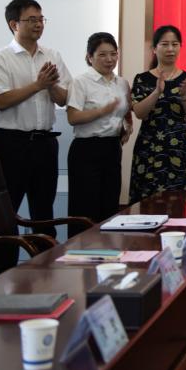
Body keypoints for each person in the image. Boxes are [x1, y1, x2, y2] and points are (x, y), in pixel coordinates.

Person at [0, 0, 71, 237]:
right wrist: (38, 85)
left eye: (41, 19)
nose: (38, 24)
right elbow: (0, 100)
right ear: (14, 24)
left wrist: (51, 86)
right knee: (7, 210)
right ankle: (6, 260)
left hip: (45, 143)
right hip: (12, 144)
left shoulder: (52, 55)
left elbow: (64, 99)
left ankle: (44, 260)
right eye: (32, 19)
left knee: (43, 212)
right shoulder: (0, 58)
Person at [65, 32, 131, 232]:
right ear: (90, 57)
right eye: (102, 54)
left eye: (113, 54)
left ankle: (107, 248)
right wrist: (102, 111)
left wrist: (126, 127)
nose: (109, 59)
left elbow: (126, 112)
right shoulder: (81, 82)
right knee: (85, 209)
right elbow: (72, 117)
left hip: (112, 148)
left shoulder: (122, 83)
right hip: (86, 150)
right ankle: (79, 249)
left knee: (109, 207)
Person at [129, 25, 186, 202]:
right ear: (154, 49)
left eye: (175, 44)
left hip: (179, 147)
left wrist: (184, 96)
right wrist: (156, 92)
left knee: (180, 201)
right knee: (147, 202)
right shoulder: (142, 79)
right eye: (165, 44)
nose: (170, 49)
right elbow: (139, 113)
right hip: (149, 147)